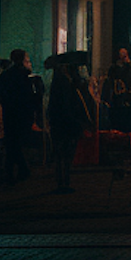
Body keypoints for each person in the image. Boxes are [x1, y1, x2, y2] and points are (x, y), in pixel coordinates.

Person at [47, 57, 93, 195]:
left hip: (60, 122)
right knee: (65, 153)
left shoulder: (59, 83)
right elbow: (69, 105)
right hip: (66, 123)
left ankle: (62, 180)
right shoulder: (65, 84)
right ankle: (64, 181)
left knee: (61, 153)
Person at [0, 49, 35, 184]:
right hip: (21, 114)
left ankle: (11, 171)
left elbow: (1, 93)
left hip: (9, 113)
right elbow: (29, 98)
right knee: (15, 143)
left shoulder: (5, 76)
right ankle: (20, 170)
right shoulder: (25, 76)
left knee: (11, 142)